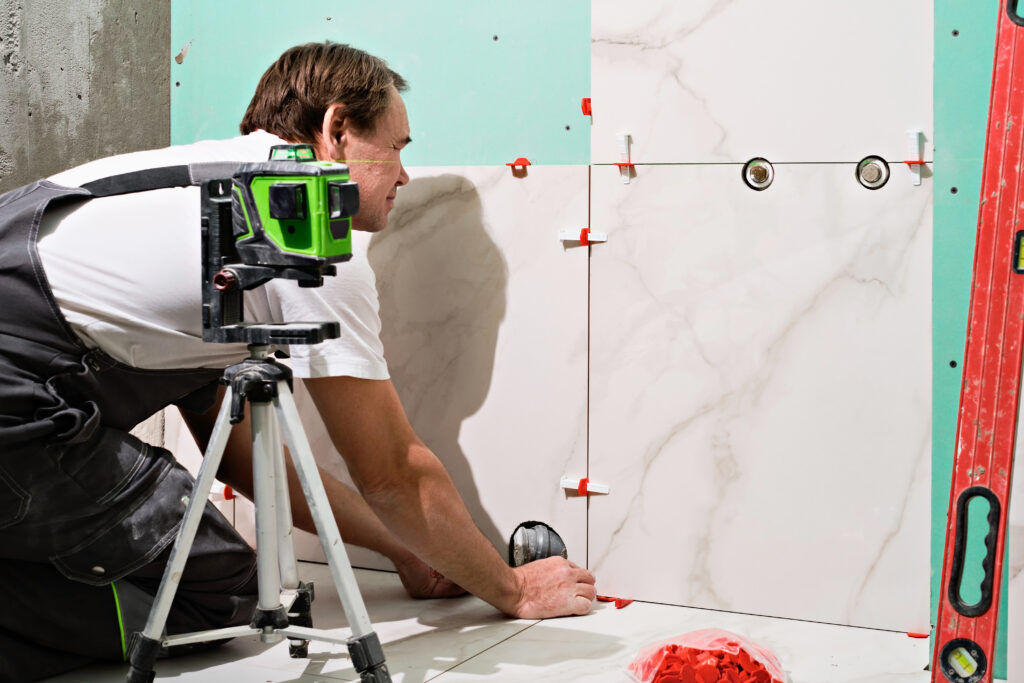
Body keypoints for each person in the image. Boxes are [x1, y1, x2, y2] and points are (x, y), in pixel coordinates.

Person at [0, 42, 596, 681]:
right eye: (395, 145)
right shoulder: (294, 222)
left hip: (22, 391)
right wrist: (512, 589)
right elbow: (392, 473)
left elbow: (241, 456)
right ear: (337, 129)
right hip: (18, 409)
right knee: (218, 590)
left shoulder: (198, 191)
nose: (404, 175)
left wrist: (406, 549)